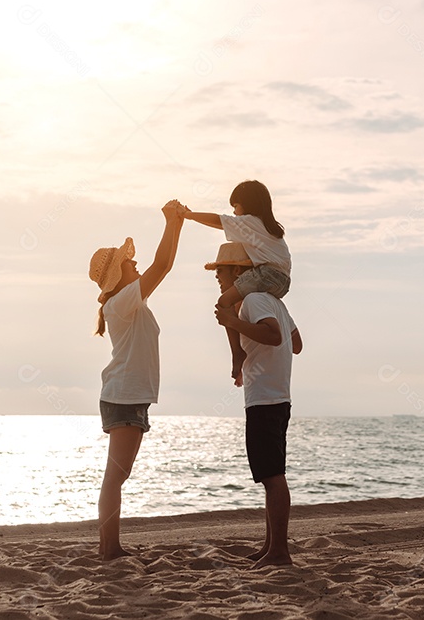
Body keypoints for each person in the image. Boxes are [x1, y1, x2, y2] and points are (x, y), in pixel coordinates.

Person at [88, 200, 184, 560]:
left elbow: (165, 265)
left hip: (129, 396)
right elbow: (161, 267)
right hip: (124, 396)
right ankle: (110, 549)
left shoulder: (129, 302)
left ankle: (109, 546)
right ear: (117, 275)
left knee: (118, 476)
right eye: (130, 262)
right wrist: (169, 222)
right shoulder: (121, 303)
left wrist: (177, 224)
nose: (136, 263)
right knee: (115, 477)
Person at [205, 242, 302, 568]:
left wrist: (234, 324)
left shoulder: (254, 299)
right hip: (279, 396)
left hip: (264, 398)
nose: (217, 276)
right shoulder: (272, 301)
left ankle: (279, 552)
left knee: (272, 476)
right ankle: (271, 545)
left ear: (237, 271)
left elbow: (273, 336)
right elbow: (296, 343)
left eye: (220, 270)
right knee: (271, 473)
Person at [182, 180, 291, 387]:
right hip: (283, 282)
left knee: (224, 302)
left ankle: (237, 353)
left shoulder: (250, 222)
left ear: (247, 204)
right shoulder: (272, 229)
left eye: (235, 206)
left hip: (267, 274)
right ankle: (240, 347)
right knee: (238, 302)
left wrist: (189, 215)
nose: (235, 212)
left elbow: (218, 221)